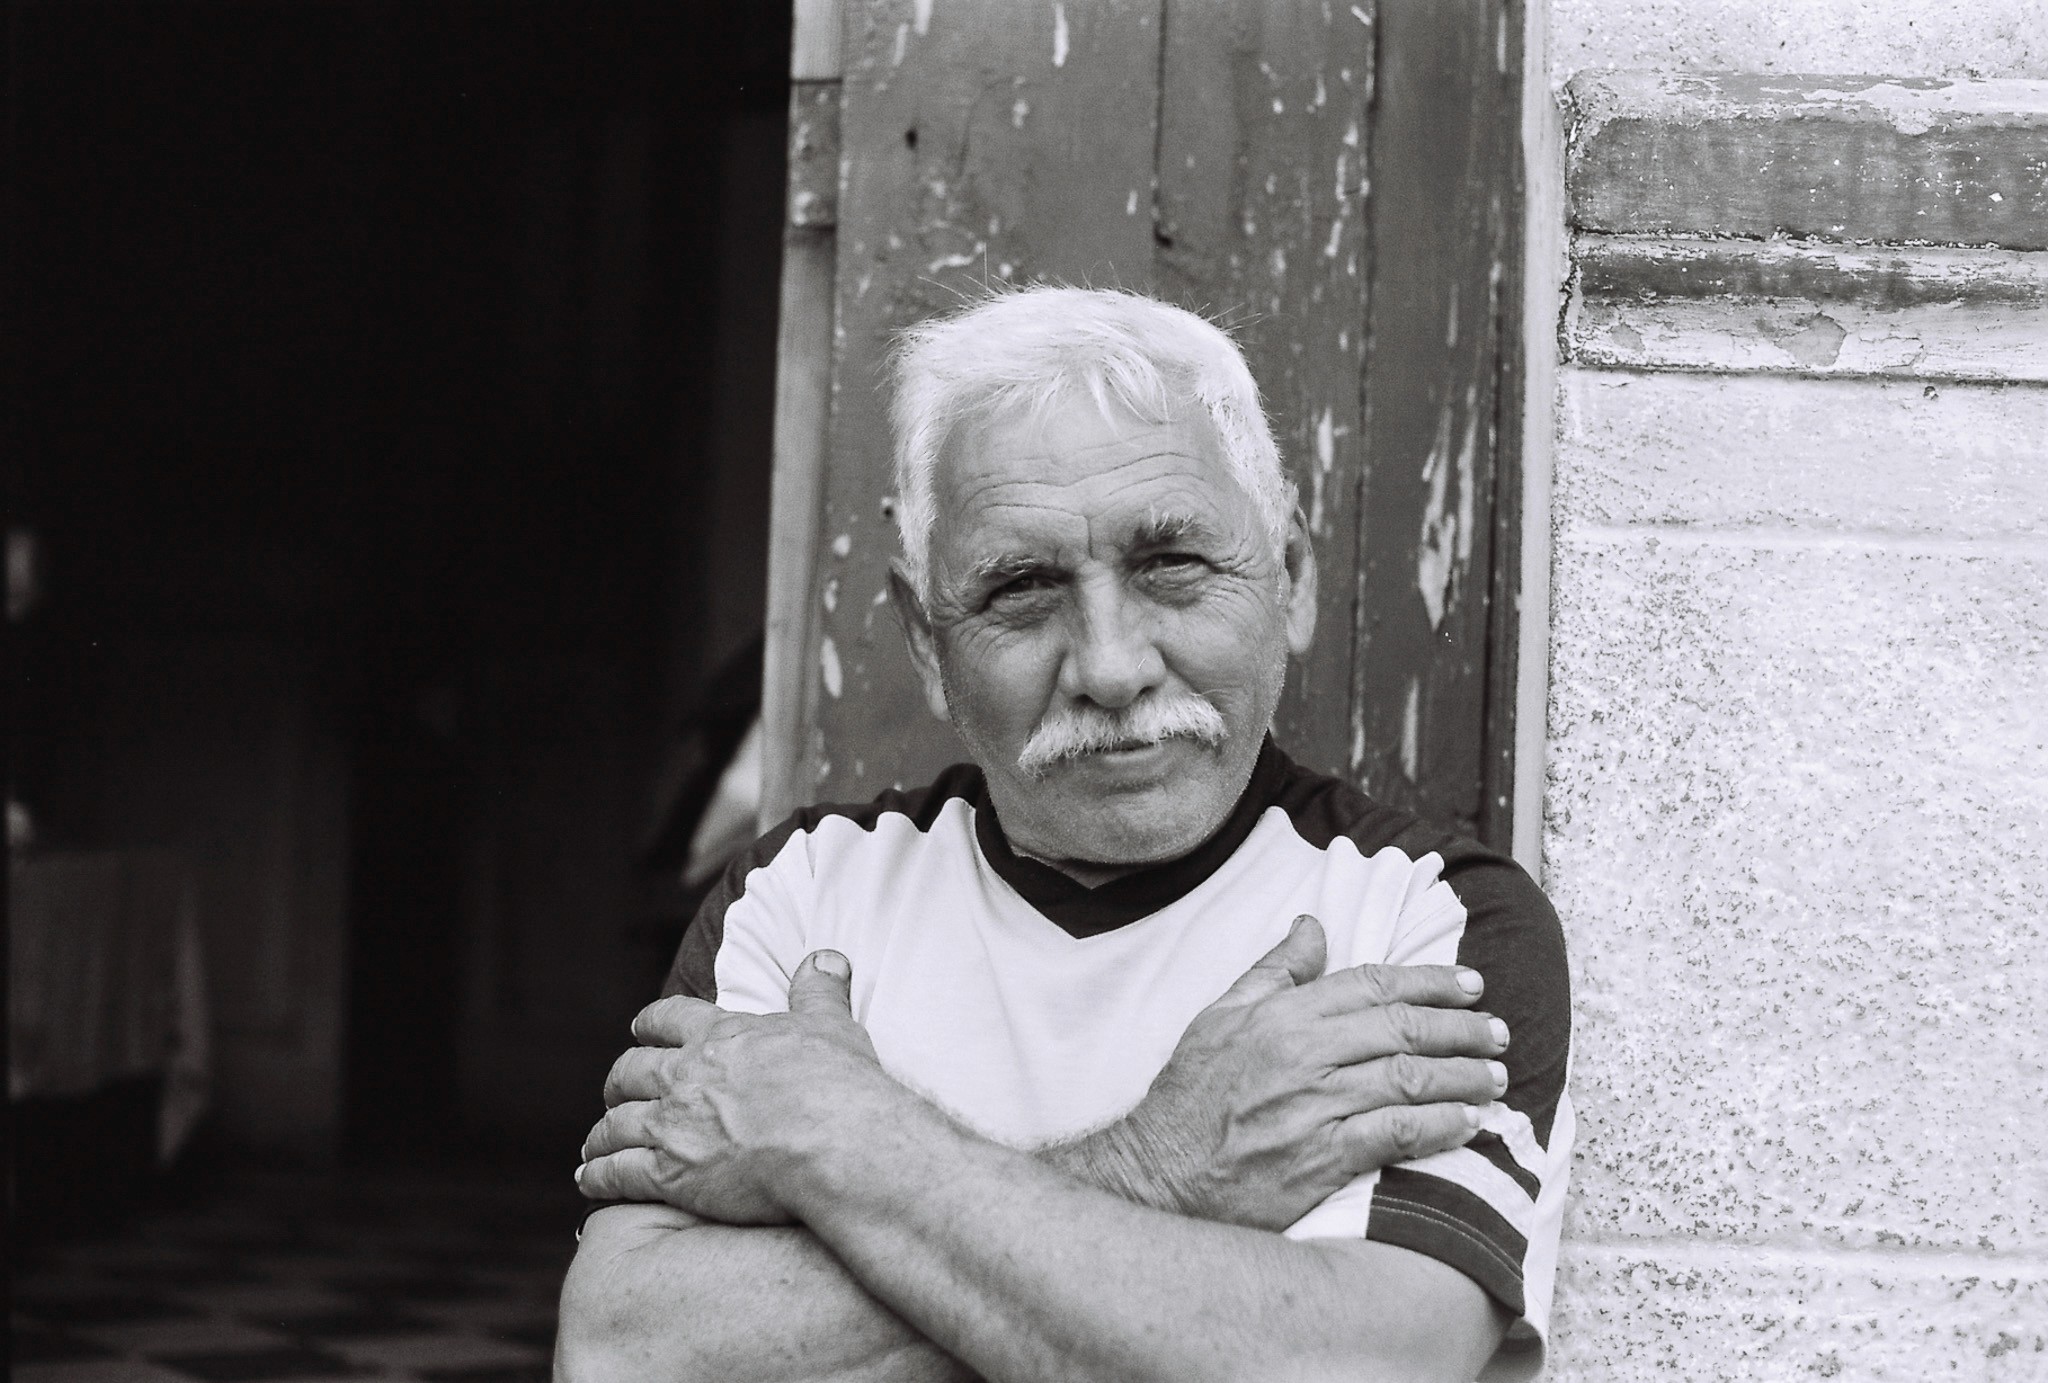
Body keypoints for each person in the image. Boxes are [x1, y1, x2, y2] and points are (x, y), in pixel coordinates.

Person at [557, 287, 1572, 1383]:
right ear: (925, 640)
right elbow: (626, 1351)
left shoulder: (1426, 919)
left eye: (1170, 565)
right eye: (1023, 588)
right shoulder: (804, 893)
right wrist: (1163, 1168)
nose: (1109, 667)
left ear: (1290, 576)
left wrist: (835, 1138)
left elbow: (1358, 1366)